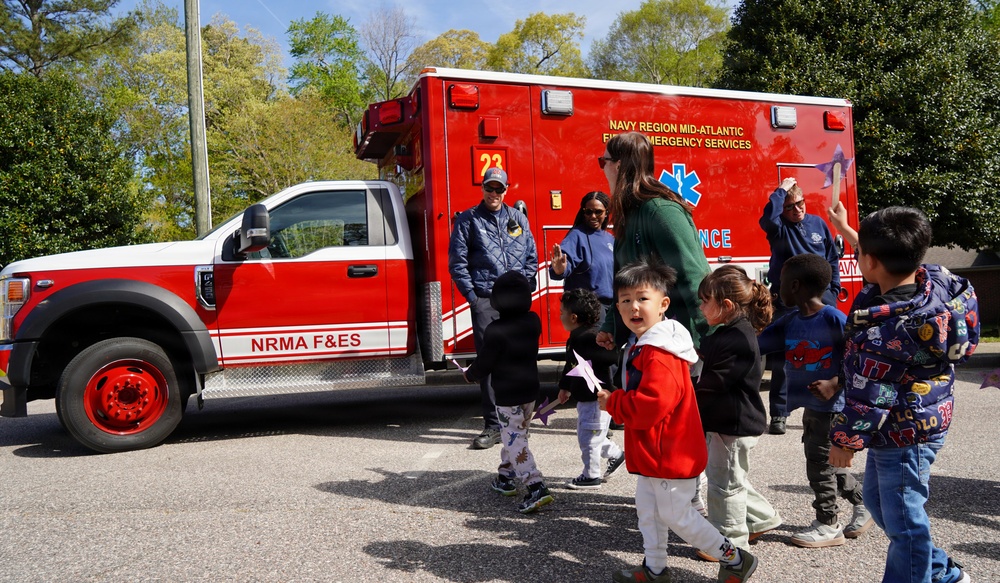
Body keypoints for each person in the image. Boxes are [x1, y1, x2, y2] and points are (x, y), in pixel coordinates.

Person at [828, 207, 978, 583]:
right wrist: (845, 228)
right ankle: (940, 570)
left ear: (871, 261)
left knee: (904, 522)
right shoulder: (938, 283)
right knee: (881, 505)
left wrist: (845, 442)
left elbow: (869, 396)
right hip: (913, 422)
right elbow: (886, 258)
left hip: (904, 433)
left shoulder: (886, 329)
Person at [597, 259, 758, 583]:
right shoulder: (645, 345)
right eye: (626, 300)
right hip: (655, 453)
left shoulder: (660, 352)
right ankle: (655, 568)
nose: (634, 307)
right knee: (649, 512)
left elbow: (652, 406)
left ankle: (735, 558)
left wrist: (613, 401)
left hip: (670, 452)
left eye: (643, 298)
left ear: (663, 304)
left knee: (677, 516)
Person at [757, 253, 873, 548]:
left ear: (794, 286)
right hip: (812, 407)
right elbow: (755, 344)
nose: (775, 286)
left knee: (819, 465)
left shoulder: (833, 318)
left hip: (833, 407)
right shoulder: (791, 321)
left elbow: (860, 357)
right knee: (828, 462)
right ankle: (864, 502)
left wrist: (836, 383)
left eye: (779, 281)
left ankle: (827, 524)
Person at [693, 265, 782, 558]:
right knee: (732, 478)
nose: (701, 305)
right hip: (729, 422)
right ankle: (761, 518)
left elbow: (714, 383)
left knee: (724, 487)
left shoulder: (736, 340)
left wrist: (685, 399)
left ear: (726, 305)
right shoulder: (730, 332)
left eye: (705, 300)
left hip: (732, 424)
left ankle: (729, 544)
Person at [595, 132, 711, 354]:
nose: (602, 168)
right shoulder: (628, 216)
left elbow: (694, 276)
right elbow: (624, 285)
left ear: (618, 166)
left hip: (677, 344)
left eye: (603, 161)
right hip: (643, 342)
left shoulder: (661, 212)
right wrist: (611, 327)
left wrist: (710, 338)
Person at [449, 167, 538, 450]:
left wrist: (525, 287)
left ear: (507, 190)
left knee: (520, 357)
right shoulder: (468, 221)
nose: (494, 194)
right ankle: (492, 424)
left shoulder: (518, 219)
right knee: (489, 361)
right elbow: (457, 263)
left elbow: (531, 257)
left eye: (499, 189)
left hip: (516, 301)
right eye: (490, 188)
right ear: (483, 188)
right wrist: (474, 298)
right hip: (486, 299)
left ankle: (520, 418)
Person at [462, 271, 553, 514]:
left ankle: (536, 486)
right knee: (514, 434)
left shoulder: (495, 330)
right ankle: (506, 476)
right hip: (529, 392)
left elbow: (485, 363)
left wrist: (470, 374)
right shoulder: (533, 321)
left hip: (507, 395)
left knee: (515, 439)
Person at [759, 177, 841, 436]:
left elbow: (832, 258)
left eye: (800, 203)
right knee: (786, 360)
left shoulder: (818, 223)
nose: (797, 210)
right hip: (789, 303)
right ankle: (779, 414)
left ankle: (827, 409)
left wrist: (834, 289)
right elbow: (767, 220)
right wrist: (780, 192)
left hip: (822, 301)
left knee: (826, 356)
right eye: (790, 206)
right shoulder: (779, 227)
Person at [555, 288, 625, 490]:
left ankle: (591, 475)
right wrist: (565, 387)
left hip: (596, 399)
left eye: (562, 312)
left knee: (589, 438)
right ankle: (616, 455)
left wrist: (610, 347)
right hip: (588, 399)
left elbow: (611, 358)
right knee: (591, 435)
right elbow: (572, 366)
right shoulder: (576, 337)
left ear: (574, 317)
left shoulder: (588, 337)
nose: (560, 316)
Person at [549, 191, 615, 322]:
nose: (593, 216)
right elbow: (562, 267)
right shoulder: (576, 235)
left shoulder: (610, 238)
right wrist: (560, 270)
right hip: (589, 307)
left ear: (606, 212)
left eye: (598, 212)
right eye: (588, 212)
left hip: (612, 306)